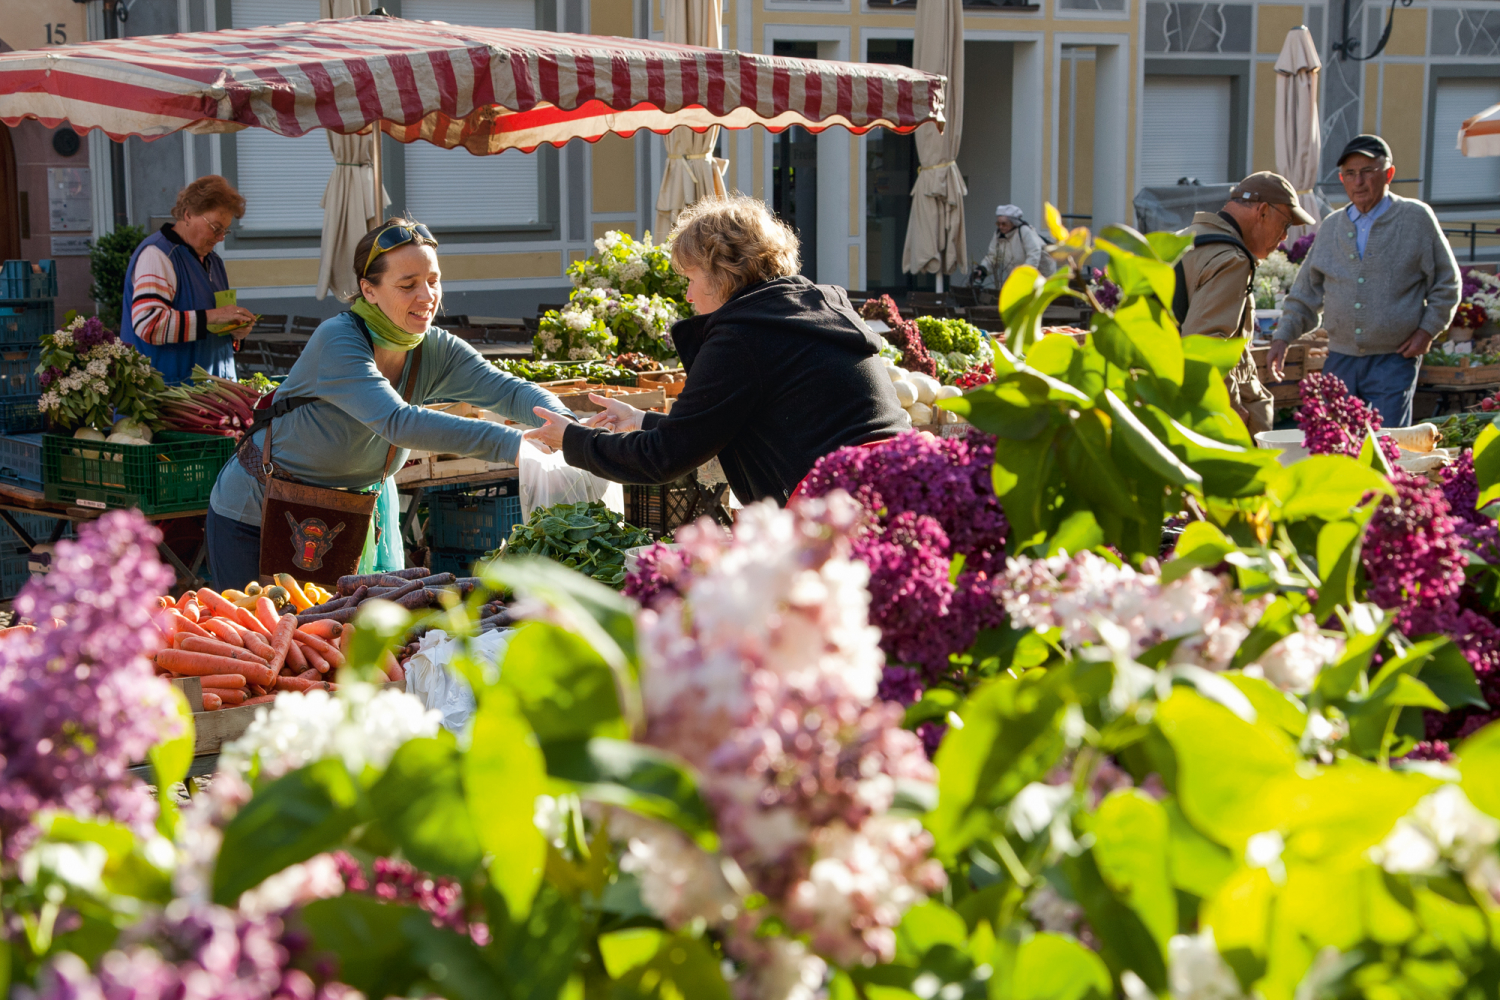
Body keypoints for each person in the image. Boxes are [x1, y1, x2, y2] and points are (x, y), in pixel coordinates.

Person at [205, 217, 573, 590]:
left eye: (433, 280)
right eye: (407, 285)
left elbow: (508, 391)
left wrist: (567, 423)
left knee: (328, 643)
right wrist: (513, 445)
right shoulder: (339, 340)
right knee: (259, 638)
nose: (427, 297)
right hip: (256, 514)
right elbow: (398, 421)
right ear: (369, 290)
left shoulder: (435, 348)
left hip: (339, 522)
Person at [521, 196, 908, 506]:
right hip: (903, 482)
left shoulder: (745, 334)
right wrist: (641, 421)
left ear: (724, 271)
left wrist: (570, 440)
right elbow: (714, 427)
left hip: (844, 508)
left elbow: (665, 458)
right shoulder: (804, 310)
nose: (687, 295)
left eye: (691, 278)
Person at [1269, 134, 1461, 427]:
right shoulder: (1332, 226)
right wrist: (1282, 337)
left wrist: (1427, 331)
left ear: (1389, 173)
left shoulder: (1416, 218)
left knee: (1388, 445)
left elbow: (1447, 283)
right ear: (1342, 179)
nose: (1358, 181)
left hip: (1393, 359)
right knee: (1335, 441)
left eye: (1368, 171)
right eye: (1350, 174)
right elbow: (1305, 293)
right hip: (1340, 360)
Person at [1175, 171, 1316, 434]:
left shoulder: (1186, 238)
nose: (1285, 237)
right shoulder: (1232, 259)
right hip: (1209, 417)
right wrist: (1230, 407)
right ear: (1263, 212)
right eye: (1285, 224)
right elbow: (1206, 344)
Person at [120, 175, 256, 384]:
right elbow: (148, 323)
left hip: (212, 397)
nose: (220, 237)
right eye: (215, 227)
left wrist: (236, 333)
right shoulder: (158, 256)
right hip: (166, 399)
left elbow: (215, 326)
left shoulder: (214, 261)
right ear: (188, 214)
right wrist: (213, 317)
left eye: (225, 230)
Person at [974, 204, 1053, 298]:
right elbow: (993, 257)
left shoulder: (1024, 231)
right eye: (998, 224)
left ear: (1013, 223)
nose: (1001, 227)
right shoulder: (998, 235)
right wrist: (982, 269)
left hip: (1041, 276)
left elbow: (1034, 254)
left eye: (1004, 224)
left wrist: (1023, 275)